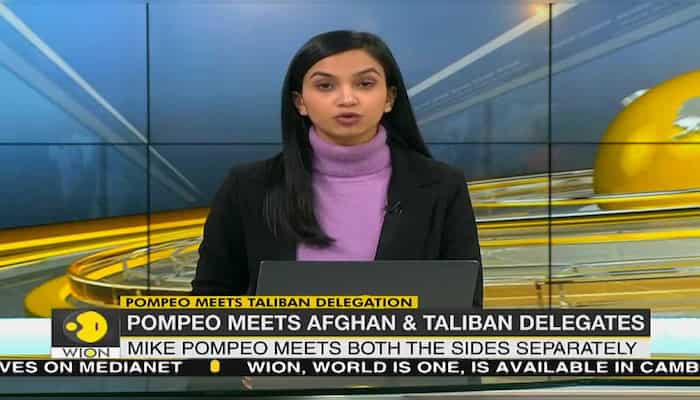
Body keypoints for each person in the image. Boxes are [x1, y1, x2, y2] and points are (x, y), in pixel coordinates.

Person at [191, 30, 482, 308]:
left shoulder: (443, 186)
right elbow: (211, 300)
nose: (347, 99)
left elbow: (465, 305)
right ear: (300, 102)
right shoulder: (249, 187)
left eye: (365, 84)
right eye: (325, 86)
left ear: (389, 98)